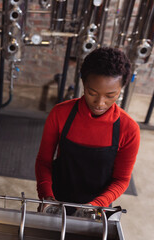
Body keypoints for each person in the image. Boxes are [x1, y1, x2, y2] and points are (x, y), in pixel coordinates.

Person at [35, 47, 140, 210]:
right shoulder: (60, 114)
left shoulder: (129, 129)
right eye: (92, 92)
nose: (100, 102)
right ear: (83, 83)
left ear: (121, 90)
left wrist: (94, 206)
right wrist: (47, 196)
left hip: (98, 207)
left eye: (110, 95)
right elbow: (44, 162)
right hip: (56, 200)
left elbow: (121, 180)